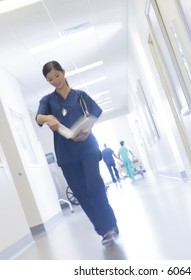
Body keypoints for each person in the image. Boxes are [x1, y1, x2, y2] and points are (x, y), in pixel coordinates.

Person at [35, 60, 118, 245]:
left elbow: (94, 113)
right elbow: (38, 117)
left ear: (63, 72)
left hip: (87, 146)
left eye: (57, 75)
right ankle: (104, 230)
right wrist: (49, 118)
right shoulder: (47, 101)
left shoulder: (80, 96)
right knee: (81, 193)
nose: (55, 81)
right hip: (66, 153)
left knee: (95, 186)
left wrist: (89, 128)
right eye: (50, 79)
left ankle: (110, 224)